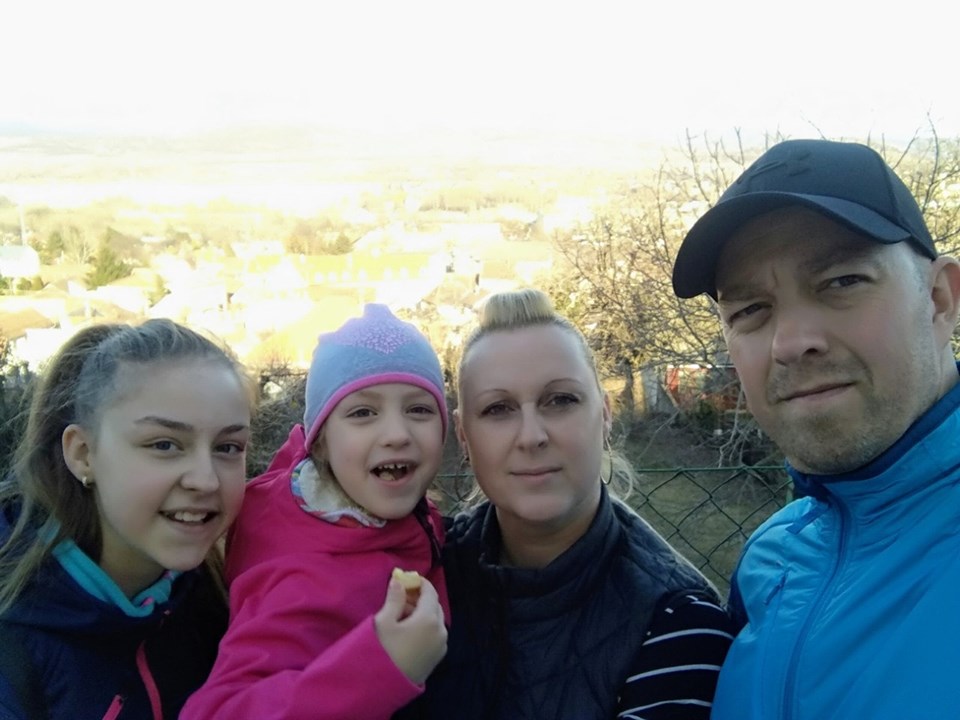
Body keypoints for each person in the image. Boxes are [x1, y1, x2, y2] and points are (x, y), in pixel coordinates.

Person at [671, 138, 960, 719]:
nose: (790, 342)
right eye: (749, 310)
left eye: (842, 281)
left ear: (940, 298)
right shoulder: (770, 562)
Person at [397, 288, 734, 720]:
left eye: (560, 400)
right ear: (464, 436)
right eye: (498, 409)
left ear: (605, 414)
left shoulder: (678, 625)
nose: (531, 436)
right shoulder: (417, 574)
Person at [182, 303, 449, 720]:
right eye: (363, 413)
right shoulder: (301, 578)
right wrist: (381, 667)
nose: (397, 434)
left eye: (419, 409)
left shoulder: (399, 516)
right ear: (320, 440)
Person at [0, 318, 255, 720]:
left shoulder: (224, 599)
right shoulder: (16, 642)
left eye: (228, 447)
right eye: (165, 445)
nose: (206, 480)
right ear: (83, 454)